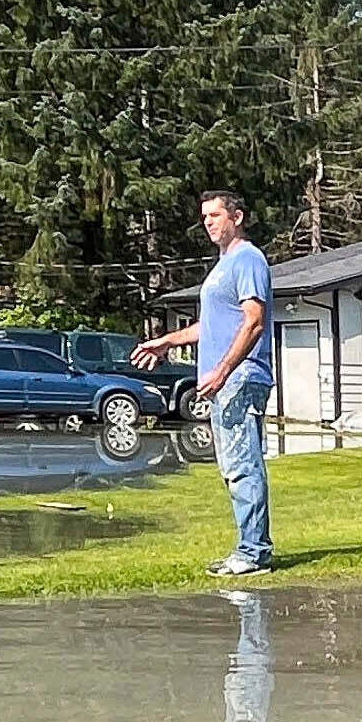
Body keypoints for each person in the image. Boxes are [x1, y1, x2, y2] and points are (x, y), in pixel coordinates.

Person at [144, 191, 277, 576]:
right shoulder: (222, 267)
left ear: (237, 216)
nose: (209, 222)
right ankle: (250, 548)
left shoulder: (248, 259)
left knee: (242, 465)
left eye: (216, 215)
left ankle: (253, 553)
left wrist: (222, 371)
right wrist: (168, 341)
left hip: (241, 377)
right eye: (204, 217)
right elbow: (216, 324)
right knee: (232, 466)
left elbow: (253, 321)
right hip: (224, 381)